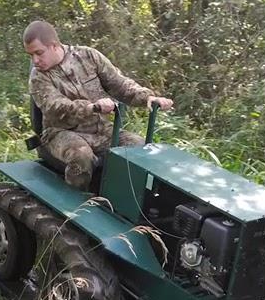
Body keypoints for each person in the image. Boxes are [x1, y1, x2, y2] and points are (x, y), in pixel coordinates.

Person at [23, 20, 174, 190]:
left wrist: (148, 98)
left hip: (100, 129)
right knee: (81, 156)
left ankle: (122, 198)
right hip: (60, 132)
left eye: (39, 53)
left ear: (54, 45)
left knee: (139, 148)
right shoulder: (38, 78)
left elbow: (120, 84)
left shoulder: (88, 57)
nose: (35, 60)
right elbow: (56, 108)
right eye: (31, 55)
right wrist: (92, 107)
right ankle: (75, 206)